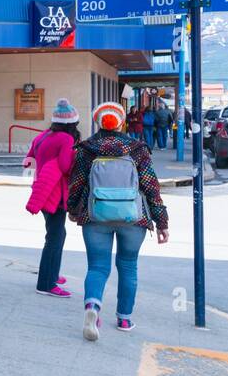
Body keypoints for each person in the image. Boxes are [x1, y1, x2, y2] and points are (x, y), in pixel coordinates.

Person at [67, 102, 169, 339]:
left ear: (97, 122)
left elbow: (77, 184)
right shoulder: (137, 149)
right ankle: (124, 319)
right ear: (121, 122)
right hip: (133, 218)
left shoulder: (86, 149)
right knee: (128, 266)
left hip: (95, 216)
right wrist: (162, 222)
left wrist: (73, 209)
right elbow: (151, 188)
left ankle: (92, 307)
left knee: (97, 267)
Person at [22, 99, 78, 298]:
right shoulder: (66, 139)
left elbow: (29, 161)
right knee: (55, 237)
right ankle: (46, 283)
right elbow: (64, 166)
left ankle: (52, 273)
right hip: (55, 193)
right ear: (72, 123)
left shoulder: (43, 136)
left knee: (56, 234)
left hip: (42, 189)